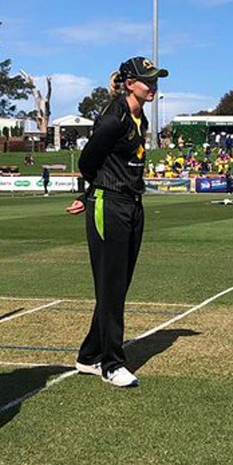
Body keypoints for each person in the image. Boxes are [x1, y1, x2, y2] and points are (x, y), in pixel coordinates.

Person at [65, 57, 168, 388]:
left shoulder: (141, 121)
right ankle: (112, 363)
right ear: (129, 84)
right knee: (110, 287)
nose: (152, 86)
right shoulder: (113, 118)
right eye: (146, 80)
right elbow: (88, 161)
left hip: (132, 205)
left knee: (118, 285)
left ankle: (88, 355)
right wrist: (93, 194)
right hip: (109, 205)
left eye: (155, 80)